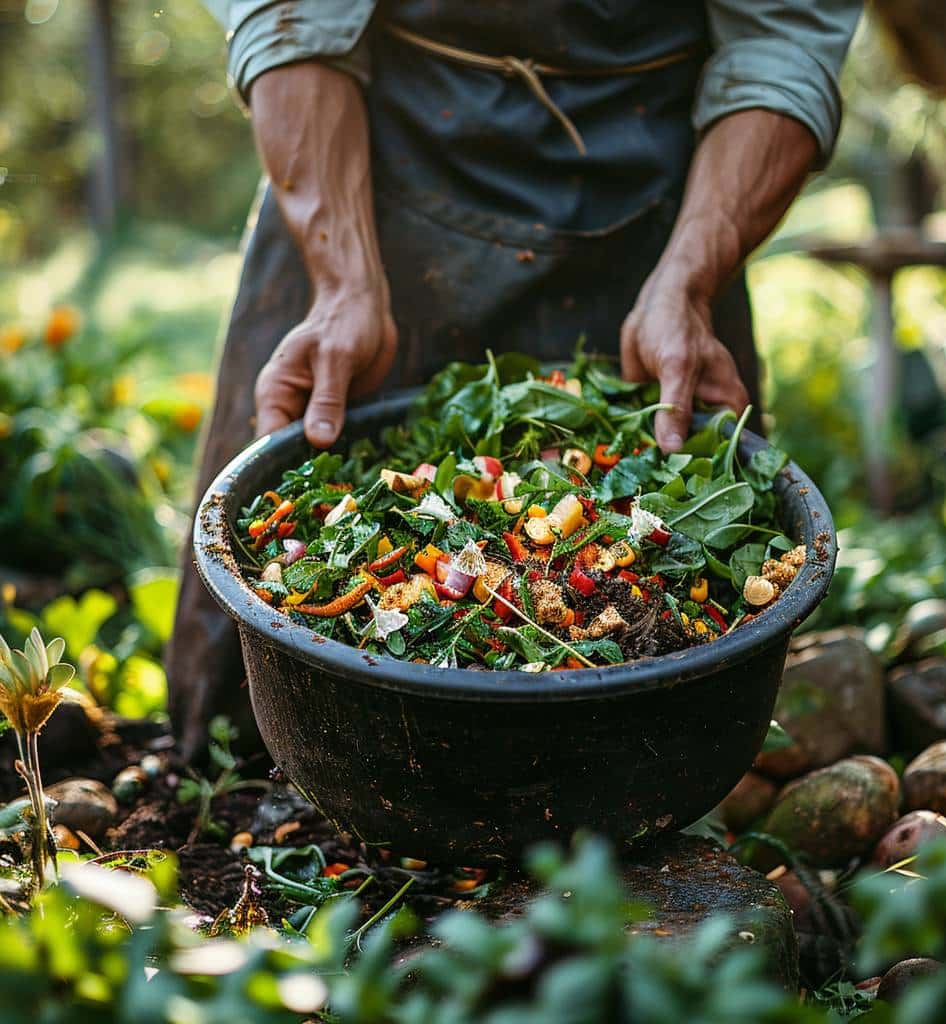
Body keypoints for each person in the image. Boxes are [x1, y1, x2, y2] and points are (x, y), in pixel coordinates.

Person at [170, 0, 862, 759]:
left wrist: (690, 283)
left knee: (660, 706)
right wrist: (342, 281)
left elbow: (783, 42)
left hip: (666, 201)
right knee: (249, 724)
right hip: (365, 163)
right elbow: (291, 13)